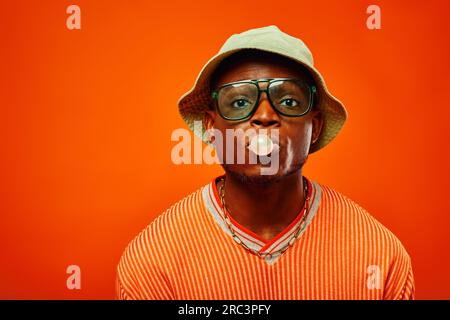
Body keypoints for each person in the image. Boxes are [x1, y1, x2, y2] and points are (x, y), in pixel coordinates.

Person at [116, 25, 414, 300]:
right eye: (239, 102)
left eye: (288, 102)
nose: (265, 116)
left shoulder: (379, 256)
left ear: (316, 127)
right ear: (211, 127)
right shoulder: (153, 263)